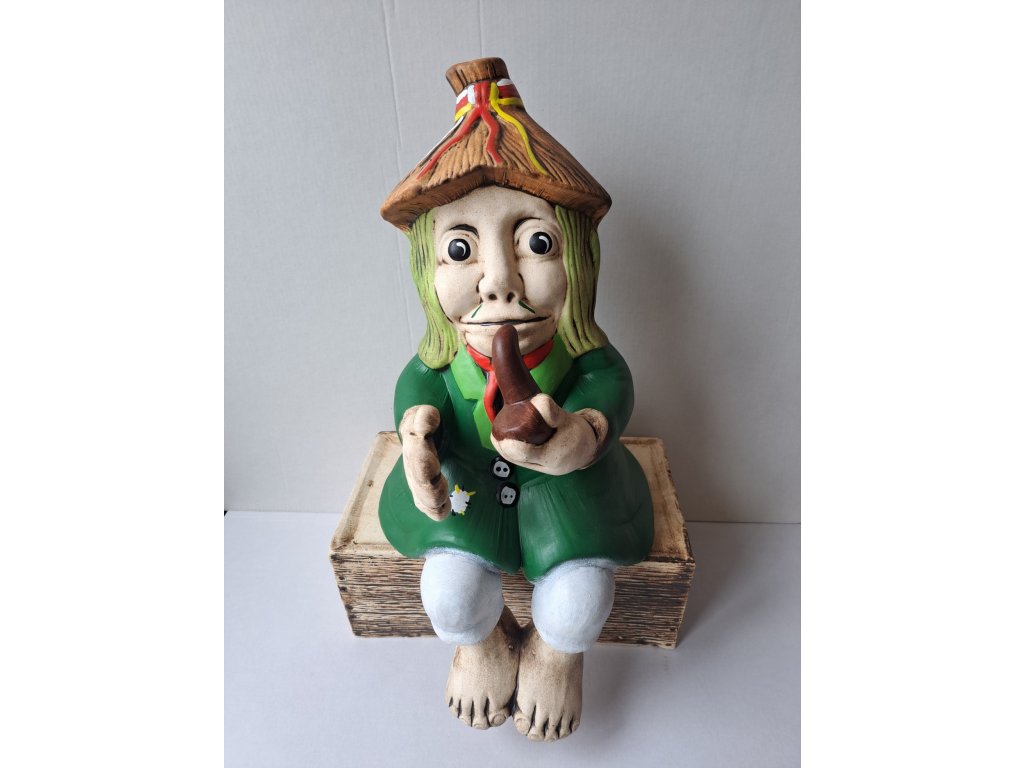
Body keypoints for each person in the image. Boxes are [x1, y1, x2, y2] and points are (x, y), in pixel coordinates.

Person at [378, 58, 653, 742]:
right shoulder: (443, 362)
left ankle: (557, 657)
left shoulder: (583, 355)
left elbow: (610, 385)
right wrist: (418, 432)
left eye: (537, 243)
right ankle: (483, 644)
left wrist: (584, 434)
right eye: (461, 249)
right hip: (467, 488)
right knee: (448, 595)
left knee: (581, 600)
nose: (499, 282)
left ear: (580, 260)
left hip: (570, 495)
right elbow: (417, 388)